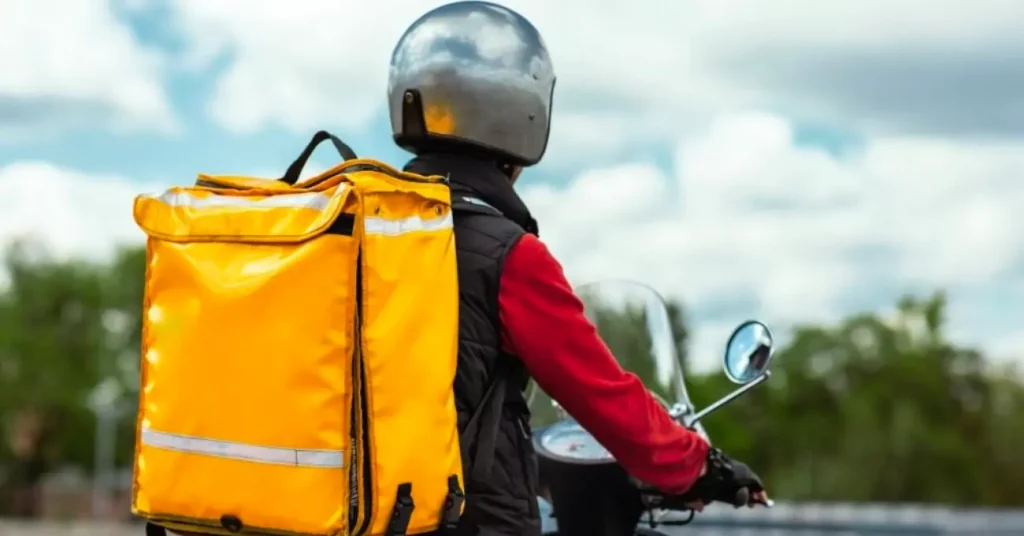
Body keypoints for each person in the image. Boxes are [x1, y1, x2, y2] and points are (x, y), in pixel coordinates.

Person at [388, 2, 767, 534]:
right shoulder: (508, 256)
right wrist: (703, 468)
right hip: (465, 521)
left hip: (354, 514)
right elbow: (603, 397)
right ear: (524, 114)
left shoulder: (361, 234)